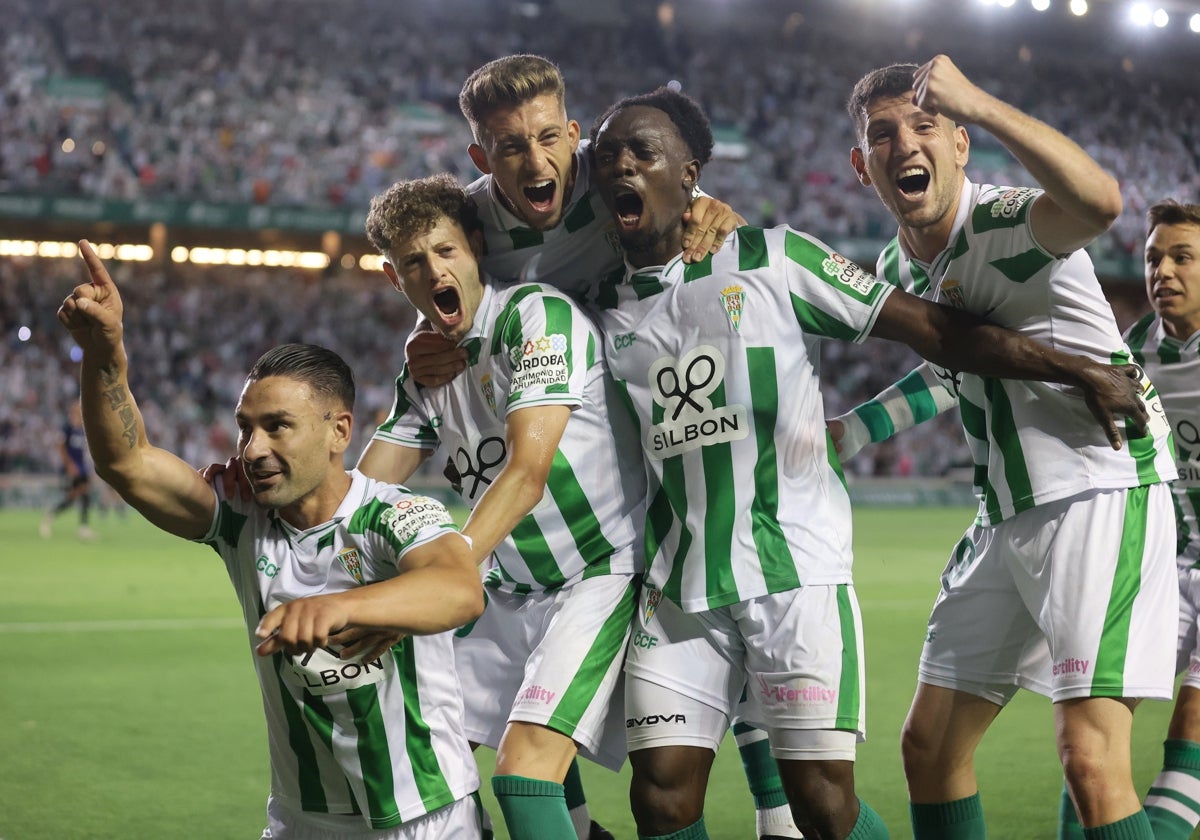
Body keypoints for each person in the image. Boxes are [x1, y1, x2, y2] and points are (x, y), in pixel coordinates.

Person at [583, 84, 1153, 840]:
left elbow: (963, 315)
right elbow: (945, 364)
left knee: (846, 800)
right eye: (882, 134)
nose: (622, 164)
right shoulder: (590, 296)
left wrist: (1073, 366)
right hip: (701, 577)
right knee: (680, 796)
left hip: (1054, 493)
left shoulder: (803, 253)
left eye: (643, 152)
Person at [412, 54, 800, 840]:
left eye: (549, 137)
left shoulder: (606, 176)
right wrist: (426, 337)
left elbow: (668, 184)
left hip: (664, 405)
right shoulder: (474, 226)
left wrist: (707, 205)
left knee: (727, 598)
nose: (535, 159)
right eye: (509, 145)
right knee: (573, 697)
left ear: (575, 137)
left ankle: (779, 812)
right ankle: (579, 826)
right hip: (580, 428)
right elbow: (439, 283)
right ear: (481, 157)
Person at [836, 56, 1178, 839]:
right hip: (1003, 518)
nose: (903, 145)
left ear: (960, 144)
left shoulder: (1003, 222)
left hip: (1097, 491)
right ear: (863, 166)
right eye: (882, 135)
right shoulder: (896, 264)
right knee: (929, 747)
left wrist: (981, 103)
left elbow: (1098, 202)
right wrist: (851, 430)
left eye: (924, 126)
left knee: (1092, 763)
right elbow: (946, 372)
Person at [60, 241, 486, 840]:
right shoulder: (240, 516)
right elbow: (127, 462)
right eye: (245, 428)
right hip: (300, 820)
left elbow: (460, 588)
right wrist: (104, 353)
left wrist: (338, 606)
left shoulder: (397, 514)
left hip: (423, 817)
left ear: (339, 431)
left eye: (277, 427)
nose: (252, 449)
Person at [358, 173, 642, 840]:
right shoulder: (425, 374)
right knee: (406, 748)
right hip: (508, 586)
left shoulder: (537, 317)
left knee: (522, 778)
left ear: (475, 247)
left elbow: (527, 473)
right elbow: (361, 495)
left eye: (445, 251)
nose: (433, 271)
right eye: (412, 263)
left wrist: (450, 561)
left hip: (594, 576)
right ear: (393, 278)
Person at [1125, 200, 1200, 839]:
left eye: (1182, 257)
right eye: (1154, 258)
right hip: (1171, 566)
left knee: (1192, 724)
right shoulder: (1135, 352)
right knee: (1096, 719)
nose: (1164, 271)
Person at [40, 399, 95, 540]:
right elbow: (60, 446)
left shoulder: (83, 428)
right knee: (79, 494)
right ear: (73, 410)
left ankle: (54, 515)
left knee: (78, 495)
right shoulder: (67, 427)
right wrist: (70, 465)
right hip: (72, 467)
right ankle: (81, 527)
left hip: (82, 466)